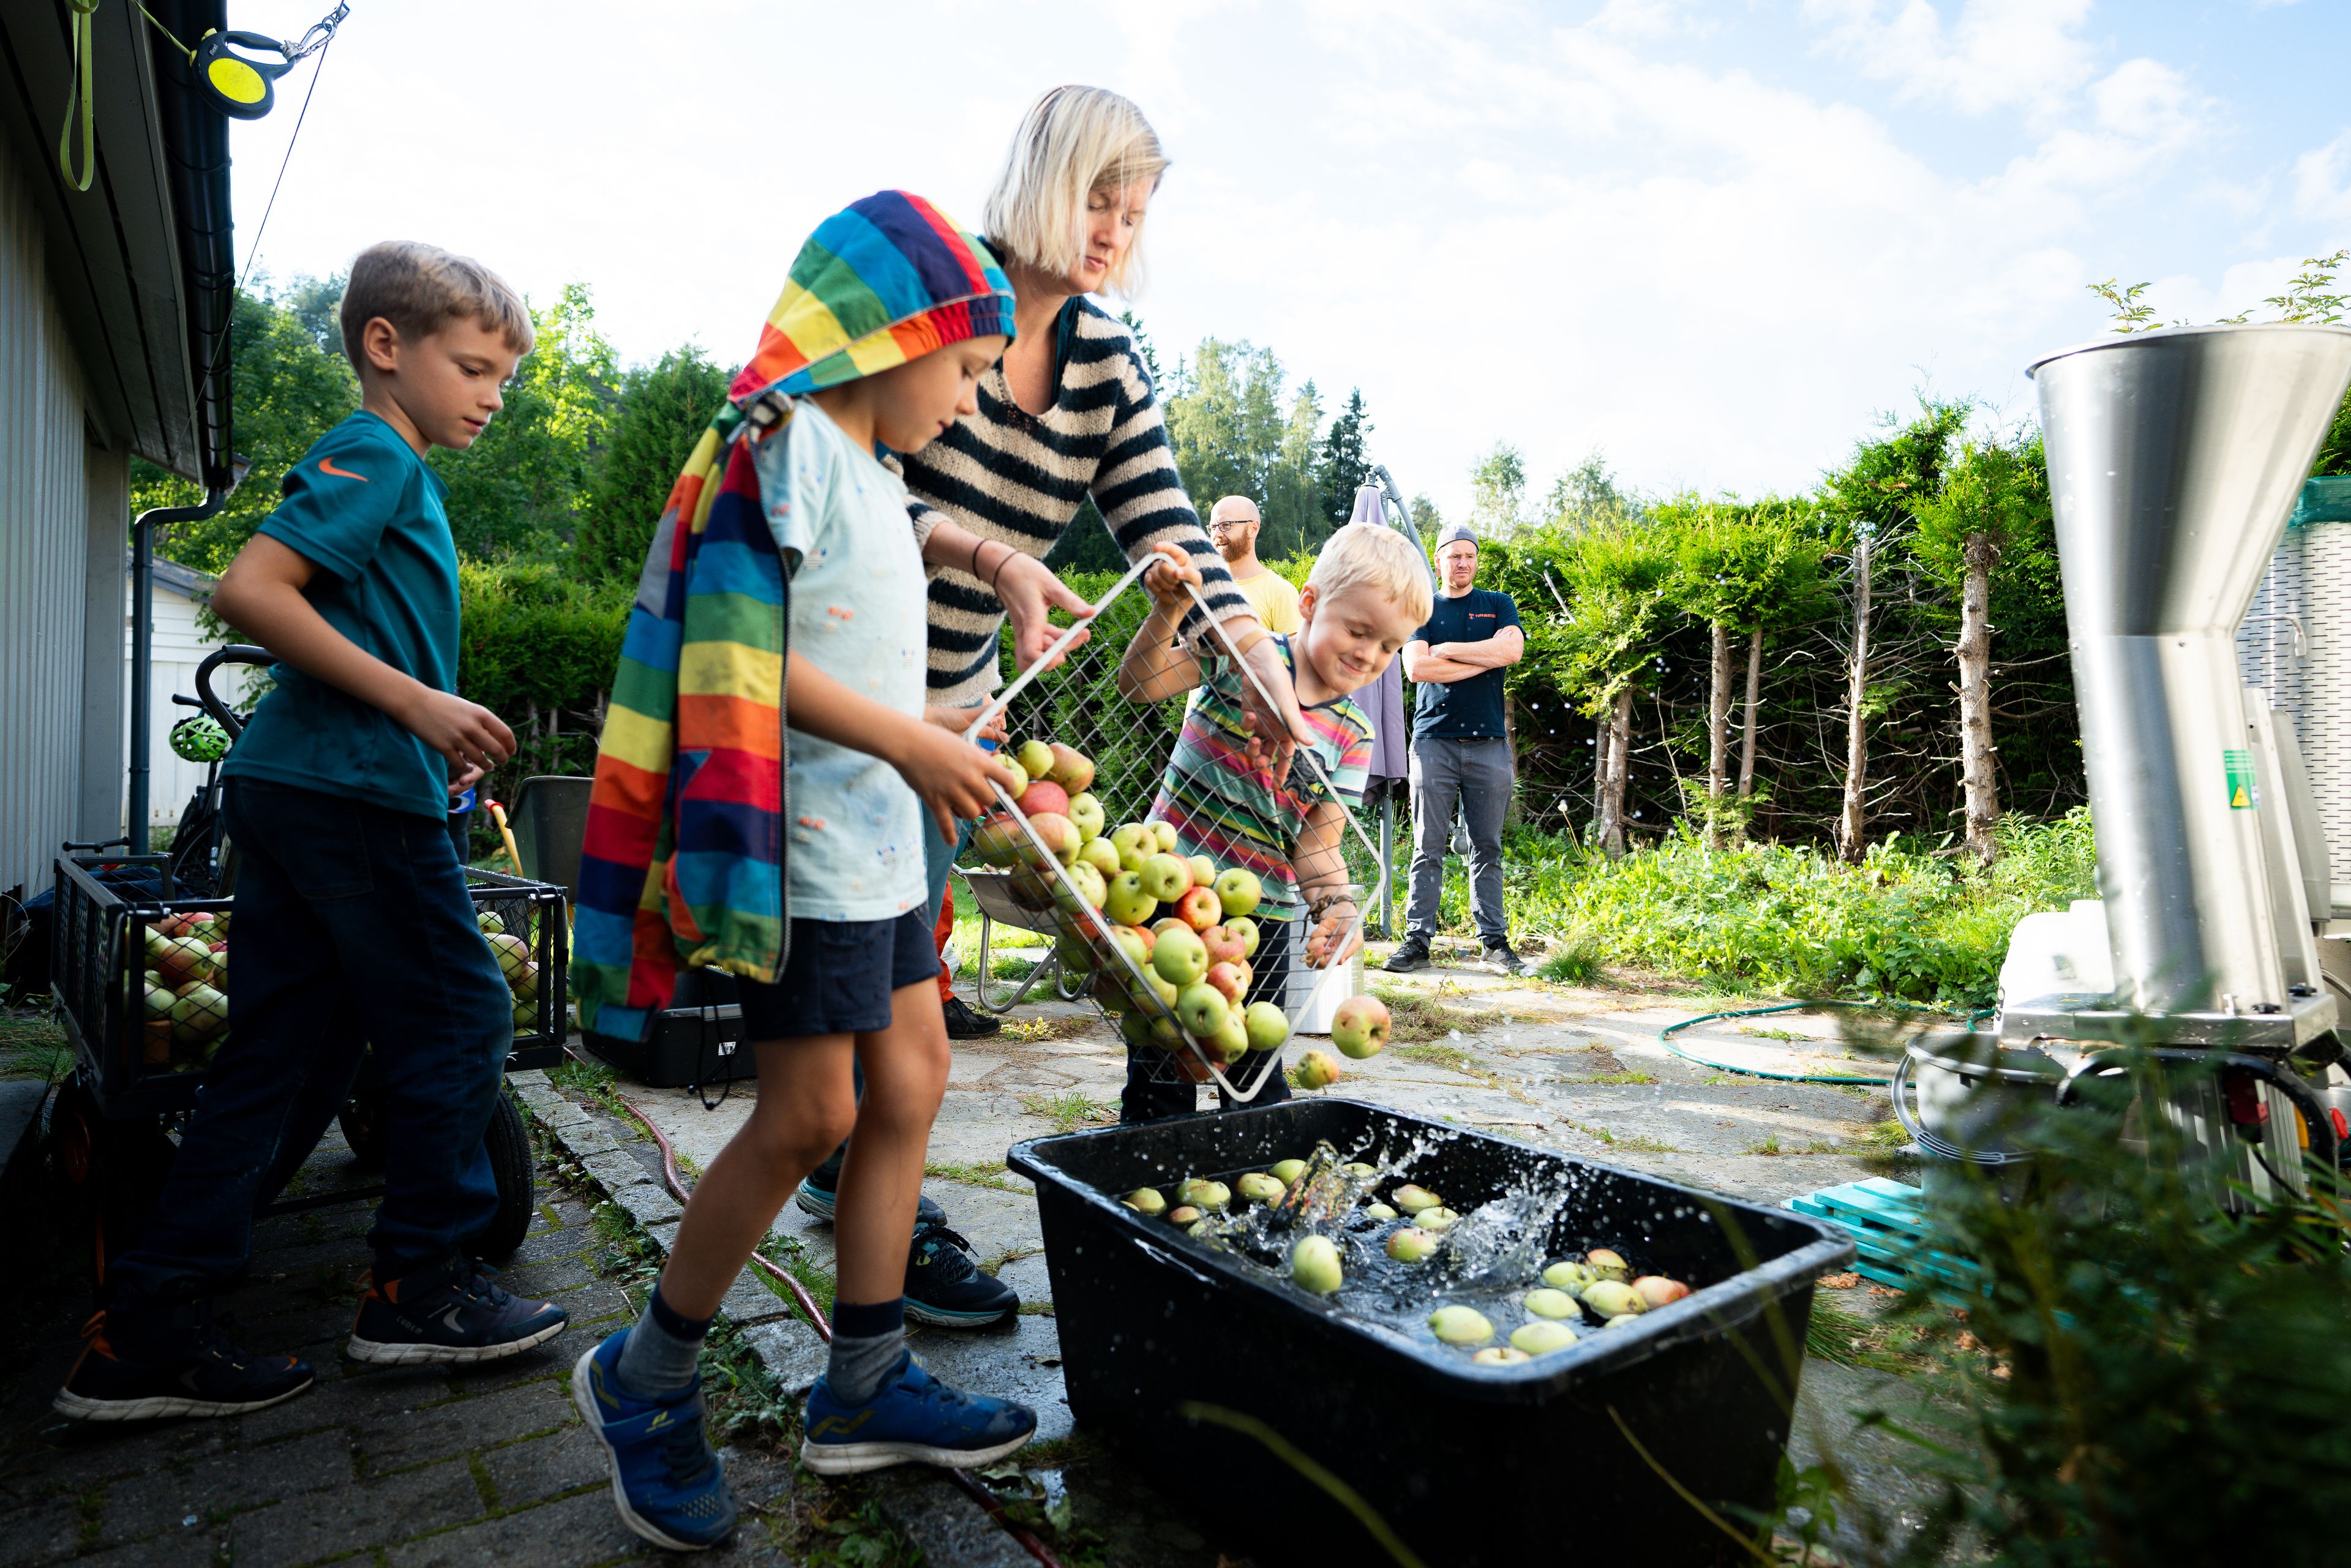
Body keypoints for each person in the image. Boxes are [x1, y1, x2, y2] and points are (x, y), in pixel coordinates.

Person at [571, 192, 1037, 1552]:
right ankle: (645, 1380)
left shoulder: (876, 476)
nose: (967, 401)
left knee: (914, 1076)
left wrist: (930, 726)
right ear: (886, 338)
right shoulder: (780, 448)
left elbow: (849, 658)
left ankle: (867, 1378)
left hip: (883, 842)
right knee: (807, 1114)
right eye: (961, 371)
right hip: (813, 857)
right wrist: (902, 730)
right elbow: (736, 661)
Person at [59, 243, 569, 1423]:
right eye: (475, 366)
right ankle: (421, 1288)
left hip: (313, 787)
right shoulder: (374, 453)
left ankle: (149, 1328)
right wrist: (414, 703)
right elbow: (249, 591)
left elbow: (341, 617)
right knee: (462, 1014)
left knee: (290, 1051)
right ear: (386, 347)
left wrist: (416, 716)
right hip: (347, 799)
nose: (494, 394)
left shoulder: (396, 470)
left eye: (506, 375)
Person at [793, 86, 1311, 1234]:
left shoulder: (1107, 361)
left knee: (903, 967)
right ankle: (848, 1183)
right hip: (833, 684)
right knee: (866, 984)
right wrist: (991, 557)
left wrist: (1263, 663)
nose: (1115, 231)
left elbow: (1170, 528)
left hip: (955, 696)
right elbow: (844, 475)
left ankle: (855, 1185)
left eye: (1134, 212)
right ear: (1039, 181)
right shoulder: (933, 297)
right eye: (1098, 197)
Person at [1114, 524, 1433, 1121]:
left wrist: (1336, 905)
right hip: (1172, 888)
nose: (1369, 653)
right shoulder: (1244, 654)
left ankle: (1254, 1189)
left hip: (1264, 919)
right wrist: (1168, 611)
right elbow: (1139, 683)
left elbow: (1318, 842)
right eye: (1359, 630)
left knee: (1257, 1077)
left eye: (1389, 646)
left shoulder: (1353, 734)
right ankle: (1150, 1188)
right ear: (1309, 603)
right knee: (1161, 1070)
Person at [1385, 522, 1528, 976]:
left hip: (1489, 744)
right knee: (1428, 845)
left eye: (1469, 555)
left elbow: (1512, 654)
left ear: (1476, 560)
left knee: (1487, 845)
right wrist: (1481, 654)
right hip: (1434, 743)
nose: (1462, 563)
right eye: (1454, 556)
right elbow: (1416, 668)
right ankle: (1416, 942)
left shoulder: (1498, 604)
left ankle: (1494, 942)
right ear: (1439, 559)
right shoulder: (1422, 608)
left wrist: (1448, 651)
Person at [1208, 494, 1303, 634]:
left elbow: (1292, 654)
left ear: (1253, 528)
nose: (1217, 534)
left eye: (1225, 525)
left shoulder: (1280, 592)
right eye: (1213, 527)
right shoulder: (1204, 587)